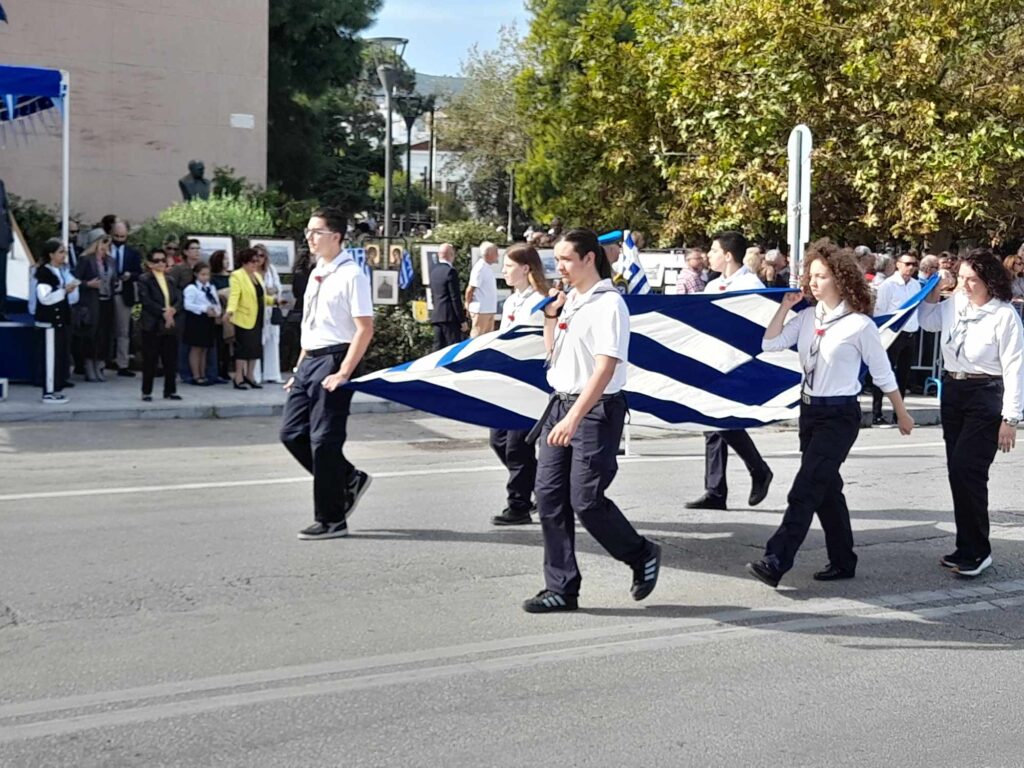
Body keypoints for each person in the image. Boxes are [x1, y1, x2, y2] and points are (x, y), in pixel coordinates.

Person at [746, 241, 914, 588]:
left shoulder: (859, 325)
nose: (812, 282)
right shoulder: (808, 316)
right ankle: (843, 559)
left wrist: (901, 412)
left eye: (821, 276)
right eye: (811, 276)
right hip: (810, 412)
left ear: (840, 279)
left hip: (840, 416)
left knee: (805, 488)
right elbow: (770, 343)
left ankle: (776, 560)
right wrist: (784, 308)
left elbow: (882, 373)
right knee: (826, 488)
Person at [523, 229, 661, 613]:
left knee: (585, 500)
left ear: (588, 259)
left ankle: (641, 554)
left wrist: (574, 417)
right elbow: (554, 355)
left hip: (594, 411)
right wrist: (551, 317)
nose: (559, 266)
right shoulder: (572, 301)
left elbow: (605, 367)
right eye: (558, 259)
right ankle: (561, 588)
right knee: (549, 497)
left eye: (566, 259)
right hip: (560, 404)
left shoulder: (608, 304)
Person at [918, 248, 1024, 577]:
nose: (965, 285)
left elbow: (1014, 367)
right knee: (956, 471)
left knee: (969, 471)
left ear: (989, 281)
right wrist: (934, 288)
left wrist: (1011, 418)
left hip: (985, 393)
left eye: (972, 280)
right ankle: (966, 545)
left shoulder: (1003, 315)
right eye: (962, 278)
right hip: (954, 390)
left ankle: (979, 550)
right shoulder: (955, 305)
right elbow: (927, 320)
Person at [280, 207, 375, 540]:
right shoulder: (318, 270)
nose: (309, 238)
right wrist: (299, 367)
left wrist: (344, 372)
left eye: (316, 232)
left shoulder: (352, 275)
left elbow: (364, 329)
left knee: (324, 441)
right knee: (292, 434)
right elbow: (312, 323)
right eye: (308, 231)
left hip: (335, 359)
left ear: (336, 236)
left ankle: (332, 519)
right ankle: (349, 478)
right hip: (310, 360)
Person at [686, 231, 773, 511]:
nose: (708, 255)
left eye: (713, 251)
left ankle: (758, 468)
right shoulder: (713, 285)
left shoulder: (749, 284)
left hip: (737, 362)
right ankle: (715, 490)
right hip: (713, 360)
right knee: (711, 425)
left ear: (727, 255)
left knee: (721, 419)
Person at [489, 244, 548, 526]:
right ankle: (543, 490)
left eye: (509, 266)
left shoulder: (540, 301)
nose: (504, 271)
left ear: (526, 268)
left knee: (517, 446)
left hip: (527, 381)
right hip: (507, 380)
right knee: (498, 440)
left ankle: (519, 505)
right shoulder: (513, 301)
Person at [871, 252, 921, 426]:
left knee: (903, 375)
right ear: (898, 264)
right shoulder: (889, 285)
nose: (910, 268)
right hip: (893, 334)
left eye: (913, 264)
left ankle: (898, 412)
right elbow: (881, 311)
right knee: (885, 372)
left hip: (910, 333)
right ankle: (876, 411)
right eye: (907, 264)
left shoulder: (916, 285)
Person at [34, 239, 78, 403]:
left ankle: (54, 387)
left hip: (59, 322)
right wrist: (64, 291)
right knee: (49, 358)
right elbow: (45, 298)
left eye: (64, 252)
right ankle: (48, 391)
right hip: (48, 324)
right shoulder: (44, 273)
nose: (64, 255)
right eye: (60, 252)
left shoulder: (60, 271)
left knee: (58, 356)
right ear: (51, 254)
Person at [136, 248, 182, 402]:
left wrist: (173, 310)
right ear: (149, 263)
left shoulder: (170, 279)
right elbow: (146, 300)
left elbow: (178, 298)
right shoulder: (144, 279)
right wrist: (163, 313)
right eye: (156, 261)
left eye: (163, 260)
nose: (161, 263)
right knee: (150, 359)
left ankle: (170, 390)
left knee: (171, 359)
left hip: (170, 323)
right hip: (152, 324)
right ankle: (146, 391)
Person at [226, 248, 274, 389]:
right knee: (242, 349)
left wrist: (275, 301)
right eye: (252, 261)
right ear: (244, 262)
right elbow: (235, 295)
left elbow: (261, 296)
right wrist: (230, 311)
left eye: (257, 261)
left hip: (258, 316)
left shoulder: (257, 276)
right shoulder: (237, 275)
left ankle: (250, 376)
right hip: (243, 317)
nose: (256, 264)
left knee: (254, 349)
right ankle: (238, 377)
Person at [74, 235, 116, 382]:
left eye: (108, 244)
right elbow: (75, 280)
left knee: (104, 335)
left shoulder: (110, 261)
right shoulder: (86, 260)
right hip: (91, 301)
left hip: (107, 301)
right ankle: (89, 365)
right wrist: (88, 284)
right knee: (91, 334)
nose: (105, 247)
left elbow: (112, 279)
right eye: (103, 243)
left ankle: (100, 365)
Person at [109, 221, 142, 376]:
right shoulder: (105, 250)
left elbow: (139, 273)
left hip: (124, 293)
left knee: (123, 331)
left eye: (122, 236)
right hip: (105, 294)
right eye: (116, 236)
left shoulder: (132, 253)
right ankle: (103, 361)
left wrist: (130, 275)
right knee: (104, 329)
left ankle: (122, 364)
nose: (120, 239)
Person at [183, 261, 222, 385]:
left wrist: (217, 312)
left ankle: (203, 373)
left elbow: (216, 301)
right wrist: (204, 309)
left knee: (205, 348)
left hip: (208, 320)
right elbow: (188, 305)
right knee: (196, 348)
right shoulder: (191, 288)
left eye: (207, 275)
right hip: (196, 320)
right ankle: (196, 375)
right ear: (196, 274)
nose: (205, 277)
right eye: (202, 274)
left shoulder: (211, 287)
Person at [429, 243, 467, 350]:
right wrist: (462, 320)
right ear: (451, 255)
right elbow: (455, 297)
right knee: (453, 348)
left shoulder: (433, 272)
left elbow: (433, 295)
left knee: (437, 348)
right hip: (450, 317)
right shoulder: (450, 271)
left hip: (437, 316)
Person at [256, 245, 284, 383]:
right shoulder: (251, 270)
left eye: (262, 255)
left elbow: (279, 287)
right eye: (257, 255)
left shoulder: (271, 270)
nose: (259, 258)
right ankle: (254, 375)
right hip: (256, 310)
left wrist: (274, 290)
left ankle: (272, 374)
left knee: (273, 341)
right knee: (256, 342)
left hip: (271, 308)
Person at [466, 241, 499, 337]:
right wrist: (468, 304)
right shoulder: (480, 267)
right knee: (477, 338)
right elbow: (471, 288)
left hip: (489, 309)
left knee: (487, 339)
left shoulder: (487, 267)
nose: (498, 255)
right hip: (481, 310)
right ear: (489, 253)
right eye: (495, 252)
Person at [1003, 251, 1024, 317]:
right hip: (1012, 308)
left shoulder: (1021, 278)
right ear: (1011, 264)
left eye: (1022, 263)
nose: (1022, 265)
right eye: (1019, 263)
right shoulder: (1005, 280)